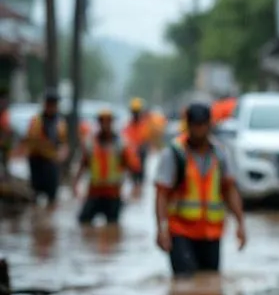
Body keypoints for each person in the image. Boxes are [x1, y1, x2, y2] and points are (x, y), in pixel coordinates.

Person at [154, 102, 247, 277]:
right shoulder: (174, 154)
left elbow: (230, 190)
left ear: (209, 125)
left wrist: (240, 223)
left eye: (203, 124)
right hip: (180, 231)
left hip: (211, 233)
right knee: (184, 281)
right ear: (188, 125)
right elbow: (161, 194)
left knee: (210, 282)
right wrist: (161, 228)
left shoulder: (220, 154)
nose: (199, 130)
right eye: (195, 125)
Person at [73, 107, 139, 225]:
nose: (105, 124)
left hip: (113, 194)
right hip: (94, 193)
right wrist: (75, 185)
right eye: (102, 121)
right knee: (83, 222)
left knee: (112, 225)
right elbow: (83, 165)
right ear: (98, 122)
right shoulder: (90, 143)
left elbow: (131, 167)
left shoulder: (121, 144)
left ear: (112, 122)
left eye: (108, 121)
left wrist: (134, 187)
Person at [24, 88, 68, 208]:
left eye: (54, 104)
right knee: (35, 193)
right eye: (50, 104)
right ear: (45, 104)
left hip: (51, 163)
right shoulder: (36, 121)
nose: (52, 107)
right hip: (37, 161)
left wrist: (62, 154)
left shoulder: (60, 122)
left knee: (52, 196)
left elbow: (63, 143)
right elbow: (29, 140)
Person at [123, 97, 152, 195]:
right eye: (134, 112)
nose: (135, 114)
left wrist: (143, 147)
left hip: (141, 151)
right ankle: (135, 187)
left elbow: (147, 139)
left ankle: (139, 188)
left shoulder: (144, 125)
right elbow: (125, 138)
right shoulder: (129, 125)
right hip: (131, 152)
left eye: (137, 112)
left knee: (140, 170)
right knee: (132, 169)